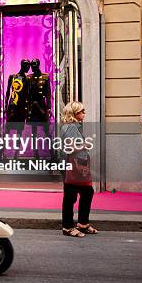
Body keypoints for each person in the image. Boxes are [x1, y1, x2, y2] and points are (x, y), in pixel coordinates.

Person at [60, 101, 97, 238]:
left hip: (77, 165)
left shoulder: (74, 127)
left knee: (87, 192)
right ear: (74, 113)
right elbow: (69, 148)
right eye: (82, 111)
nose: (84, 114)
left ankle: (82, 223)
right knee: (70, 196)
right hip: (72, 165)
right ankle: (68, 227)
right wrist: (84, 145)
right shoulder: (70, 128)